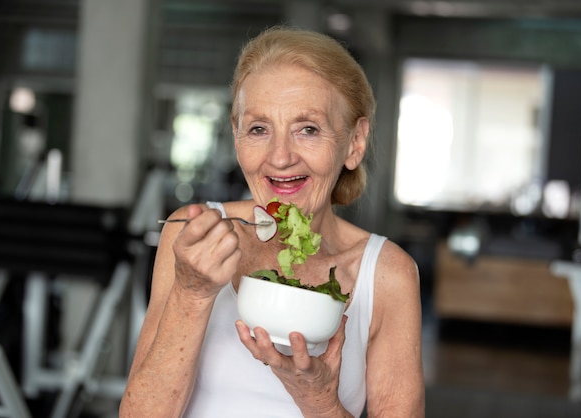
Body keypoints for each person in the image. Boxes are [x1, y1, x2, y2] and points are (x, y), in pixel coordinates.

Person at [120, 26, 424, 417]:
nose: (280, 158)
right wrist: (192, 293)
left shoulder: (387, 273)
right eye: (259, 129)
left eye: (308, 129)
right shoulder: (192, 237)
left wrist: (319, 401)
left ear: (354, 143)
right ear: (236, 136)